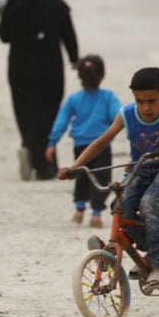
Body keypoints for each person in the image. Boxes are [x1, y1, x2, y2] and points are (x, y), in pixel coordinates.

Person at [57, 67, 159, 293]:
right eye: (140, 101)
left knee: (150, 202)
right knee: (120, 206)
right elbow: (101, 142)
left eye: (152, 101)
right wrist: (75, 166)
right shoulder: (127, 114)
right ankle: (149, 250)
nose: (146, 108)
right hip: (143, 168)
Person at [0, 0, 79, 180]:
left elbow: (3, 36)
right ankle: (45, 165)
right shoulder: (57, 4)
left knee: (24, 112)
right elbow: (68, 33)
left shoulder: (14, 5)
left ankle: (30, 149)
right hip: (49, 68)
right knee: (48, 114)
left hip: (20, 67)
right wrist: (74, 57)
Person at [46, 54, 121, 228]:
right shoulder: (108, 97)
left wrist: (52, 143)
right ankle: (96, 214)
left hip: (80, 145)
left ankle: (79, 210)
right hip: (102, 145)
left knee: (79, 175)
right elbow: (118, 116)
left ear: (79, 75)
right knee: (101, 178)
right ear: (102, 75)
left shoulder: (74, 99)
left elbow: (61, 122)